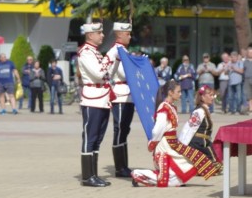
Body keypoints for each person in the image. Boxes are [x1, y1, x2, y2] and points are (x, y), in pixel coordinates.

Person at [131, 80, 221, 187]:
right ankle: (137, 174)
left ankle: (147, 178)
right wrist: (153, 142)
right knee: (165, 179)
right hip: (164, 147)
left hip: (173, 145)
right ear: (170, 92)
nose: (180, 94)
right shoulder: (164, 107)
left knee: (189, 165)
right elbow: (157, 130)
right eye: (178, 92)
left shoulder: (171, 107)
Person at [78, 22, 114, 187]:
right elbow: (99, 74)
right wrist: (110, 56)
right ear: (90, 35)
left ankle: (94, 174)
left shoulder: (95, 52)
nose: (102, 35)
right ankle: (87, 176)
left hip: (102, 98)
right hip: (92, 98)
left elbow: (107, 74)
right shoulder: (86, 52)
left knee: (97, 138)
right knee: (89, 137)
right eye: (99, 32)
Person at [109, 22, 135, 178]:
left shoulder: (123, 50)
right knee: (119, 130)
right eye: (127, 34)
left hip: (128, 95)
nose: (130, 36)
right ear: (119, 34)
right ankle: (120, 167)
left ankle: (124, 165)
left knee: (125, 130)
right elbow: (123, 73)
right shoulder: (116, 51)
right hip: (119, 94)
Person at [178, 85, 221, 170]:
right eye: (210, 95)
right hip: (198, 144)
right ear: (202, 97)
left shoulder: (205, 110)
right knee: (214, 167)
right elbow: (189, 129)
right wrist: (182, 146)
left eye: (213, 95)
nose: (212, 97)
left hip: (205, 143)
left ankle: (196, 167)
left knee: (217, 166)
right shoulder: (199, 112)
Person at [243, 45, 252, 113]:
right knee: (248, 94)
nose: (250, 54)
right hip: (247, 79)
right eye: (249, 52)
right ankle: (250, 108)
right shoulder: (244, 61)